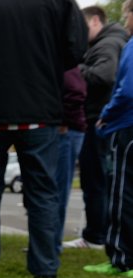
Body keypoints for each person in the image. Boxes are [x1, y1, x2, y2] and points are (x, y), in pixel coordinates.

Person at [0, 0, 88, 278]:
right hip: (40, 108)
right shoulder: (60, 3)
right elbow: (76, 49)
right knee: (42, 190)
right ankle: (45, 265)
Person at [64, 6, 129, 250]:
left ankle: (95, 236)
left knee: (96, 181)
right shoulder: (110, 42)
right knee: (101, 180)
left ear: (94, 21)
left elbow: (105, 75)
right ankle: (99, 234)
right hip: (103, 120)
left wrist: (74, 70)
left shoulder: (108, 44)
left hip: (99, 120)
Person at [85, 0, 133, 277]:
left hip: (126, 126)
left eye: (127, 15)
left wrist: (106, 114)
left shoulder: (129, 46)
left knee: (122, 193)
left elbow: (126, 91)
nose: (125, 22)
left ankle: (121, 258)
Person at [54, 67, 87, 254]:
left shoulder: (66, 64)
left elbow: (75, 92)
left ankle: (52, 243)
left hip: (66, 130)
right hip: (64, 127)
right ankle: (49, 242)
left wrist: (63, 121)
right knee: (55, 188)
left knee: (58, 189)